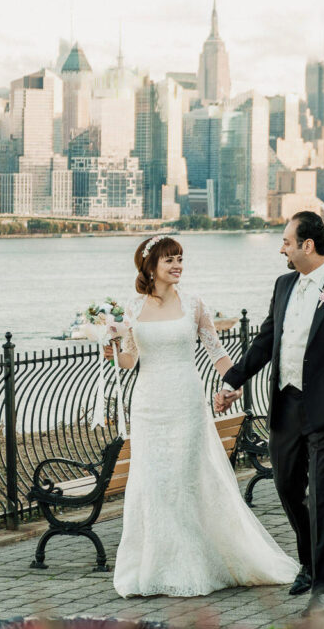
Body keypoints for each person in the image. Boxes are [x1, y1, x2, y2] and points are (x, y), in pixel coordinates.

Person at [214, 211, 324, 617]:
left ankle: (323, 589)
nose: (281, 248)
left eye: (287, 242)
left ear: (307, 246)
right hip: (286, 405)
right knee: (288, 488)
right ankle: (308, 564)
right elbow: (266, 340)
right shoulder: (283, 284)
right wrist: (232, 381)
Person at [108, 235, 300, 598]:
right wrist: (112, 347)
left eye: (180, 259)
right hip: (149, 404)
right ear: (151, 266)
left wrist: (234, 381)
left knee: (183, 479)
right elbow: (131, 360)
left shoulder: (193, 304)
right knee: (153, 483)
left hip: (186, 401)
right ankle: (153, 567)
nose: (178, 265)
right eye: (170, 260)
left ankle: (191, 566)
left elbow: (217, 351)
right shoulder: (131, 309)